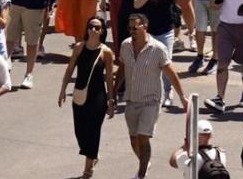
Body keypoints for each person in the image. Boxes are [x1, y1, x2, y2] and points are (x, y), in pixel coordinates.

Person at [116, 13, 186, 179]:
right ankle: (144, 162)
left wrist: (182, 96)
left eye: (135, 27)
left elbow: (171, 74)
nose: (132, 30)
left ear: (145, 27)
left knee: (143, 136)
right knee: (134, 139)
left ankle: (141, 175)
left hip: (151, 101)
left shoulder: (158, 49)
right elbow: (121, 70)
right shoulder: (125, 45)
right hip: (132, 100)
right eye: (130, 28)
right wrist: (112, 93)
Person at [57, 17, 113, 179]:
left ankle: (87, 169)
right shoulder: (79, 48)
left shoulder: (106, 52)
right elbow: (69, 70)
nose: (93, 30)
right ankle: (92, 155)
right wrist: (62, 90)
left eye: (97, 28)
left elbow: (109, 78)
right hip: (79, 95)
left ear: (102, 31)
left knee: (93, 132)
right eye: (91, 27)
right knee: (80, 132)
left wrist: (111, 100)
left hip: (98, 98)